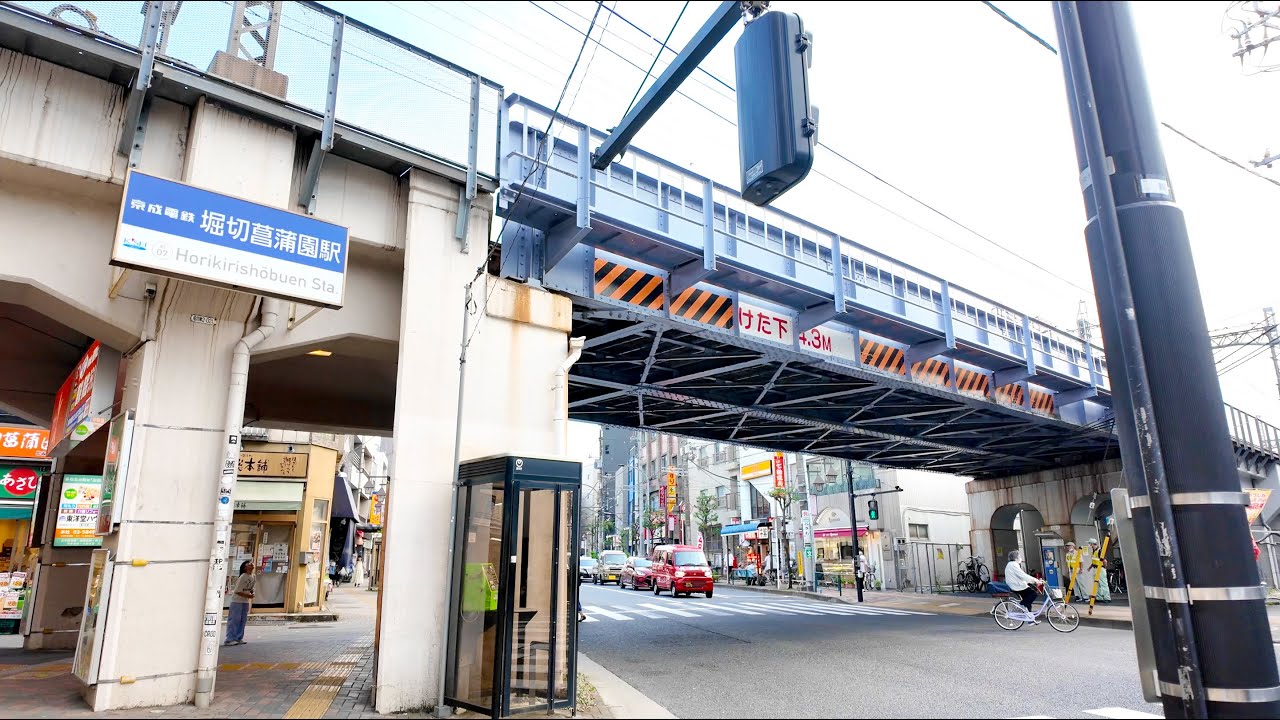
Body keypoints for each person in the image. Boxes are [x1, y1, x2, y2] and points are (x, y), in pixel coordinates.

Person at [1004, 550, 1044, 619]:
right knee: (1033, 594)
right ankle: (1021, 605)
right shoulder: (1013, 565)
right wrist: (1036, 581)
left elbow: (1021, 576)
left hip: (1017, 585)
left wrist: (1035, 581)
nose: (1021, 558)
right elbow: (1023, 575)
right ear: (1016, 558)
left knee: (1027, 600)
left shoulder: (1012, 564)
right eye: (1019, 556)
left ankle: (1029, 618)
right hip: (1017, 586)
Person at [224, 560, 256, 646]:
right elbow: (237, 591)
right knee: (234, 619)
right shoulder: (242, 576)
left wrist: (252, 593)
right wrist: (248, 596)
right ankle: (229, 639)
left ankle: (238, 637)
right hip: (237, 601)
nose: (252, 565)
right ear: (245, 567)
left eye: (252, 563)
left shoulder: (253, 576)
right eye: (249, 564)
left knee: (242, 620)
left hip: (245, 601)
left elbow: (251, 588)